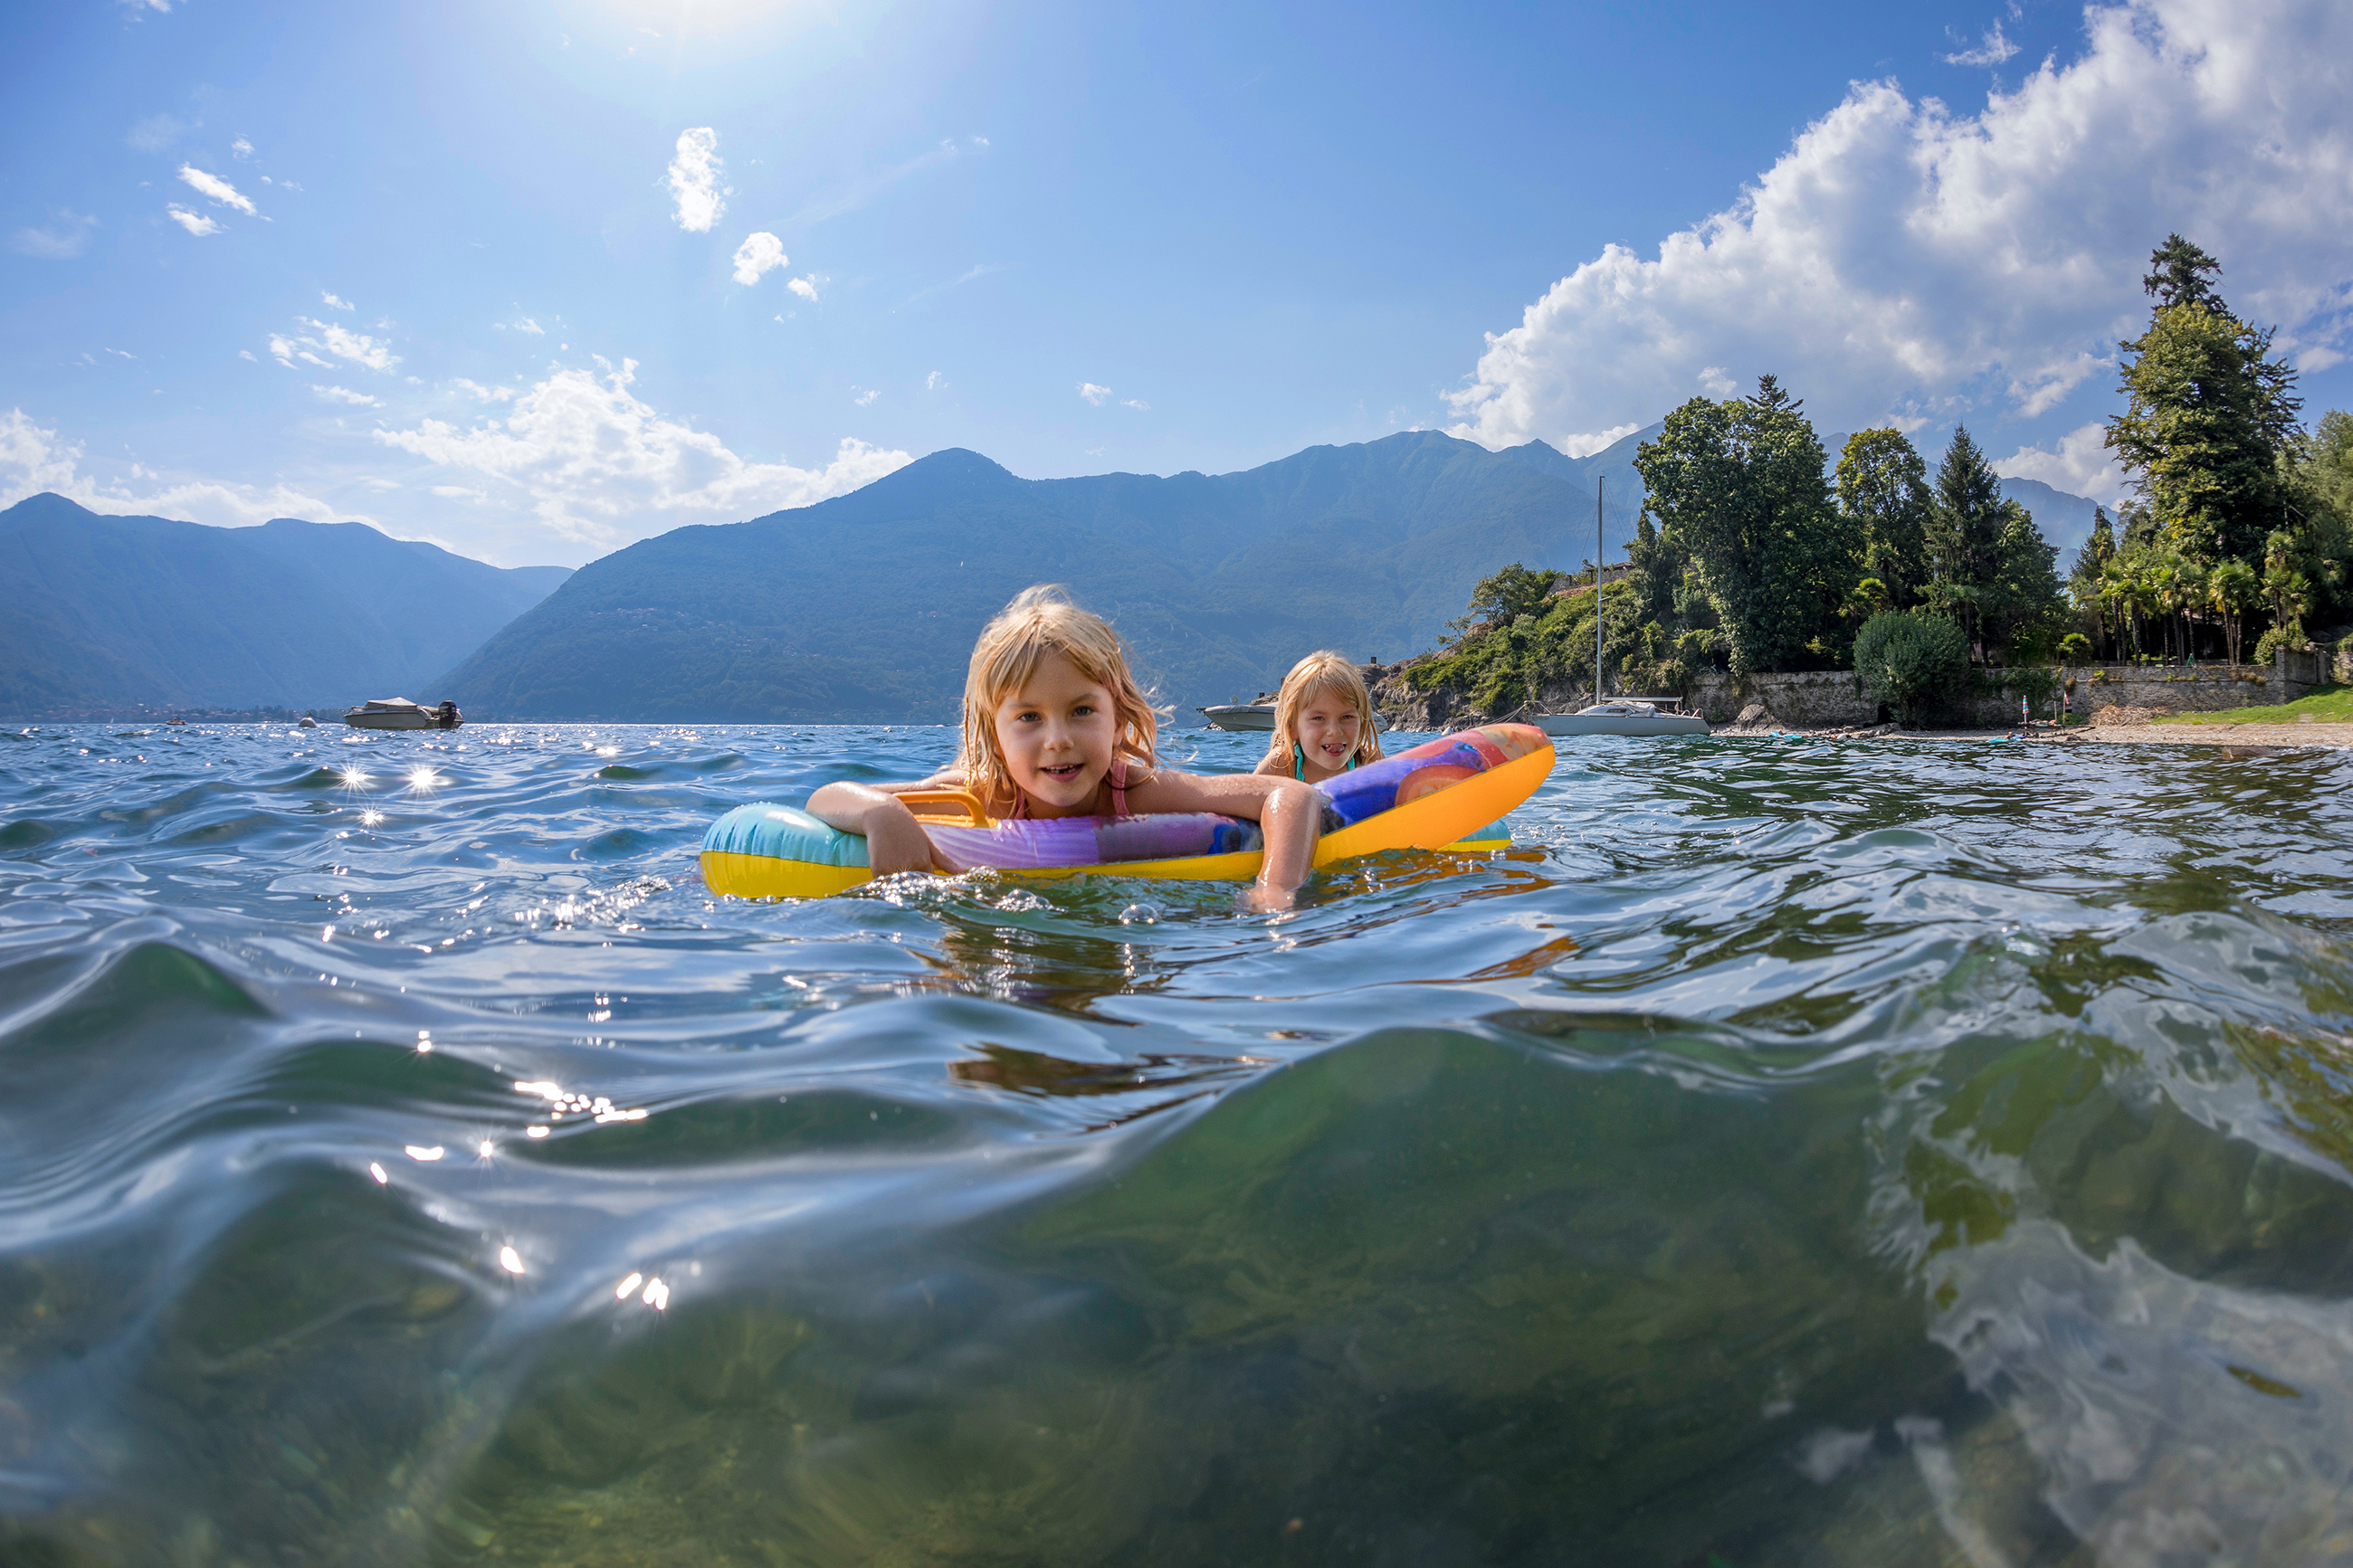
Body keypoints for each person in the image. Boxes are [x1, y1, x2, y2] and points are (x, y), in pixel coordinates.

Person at [808, 585, 1326, 911]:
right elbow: (825, 798)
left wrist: (1275, 889)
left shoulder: (1131, 791)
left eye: (1082, 711)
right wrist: (884, 815)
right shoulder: (982, 793)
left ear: (1118, 717)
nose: (1057, 739)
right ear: (995, 733)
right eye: (1029, 717)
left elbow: (1289, 796)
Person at [1253, 650, 1384, 786]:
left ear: (1362, 721)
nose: (1334, 731)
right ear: (1293, 726)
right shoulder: (1281, 766)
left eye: (1346, 716)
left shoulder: (1368, 761)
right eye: (1318, 718)